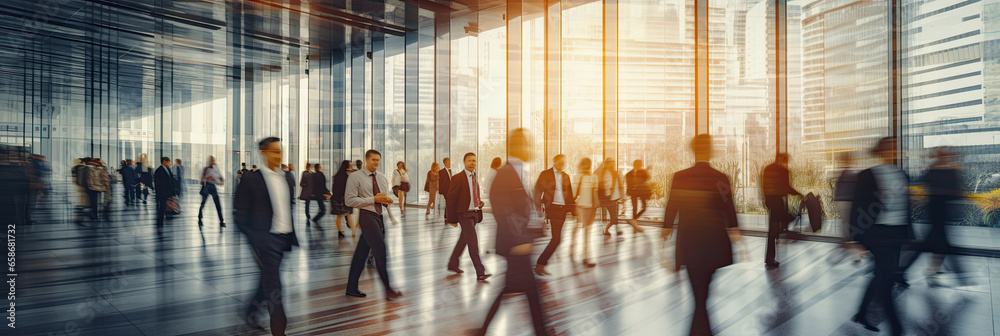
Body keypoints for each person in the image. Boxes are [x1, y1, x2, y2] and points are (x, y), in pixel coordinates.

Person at [662, 134, 741, 336]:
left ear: (693, 150)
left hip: (689, 240)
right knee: (703, 289)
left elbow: (672, 204)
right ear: (710, 151)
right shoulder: (720, 178)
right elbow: (729, 208)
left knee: (698, 289)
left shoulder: (681, 177)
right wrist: (734, 229)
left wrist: (667, 227)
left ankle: (699, 329)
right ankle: (701, 328)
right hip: (714, 241)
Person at [481, 128, 548, 336]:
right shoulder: (506, 172)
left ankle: (482, 331)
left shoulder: (517, 170)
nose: (532, 148)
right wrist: (519, 239)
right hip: (516, 244)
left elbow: (520, 205)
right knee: (528, 290)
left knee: (517, 288)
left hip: (520, 242)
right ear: (519, 146)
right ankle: (542, 331)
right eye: (528, 144)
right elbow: (502, 208)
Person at [234, 137, 299, 336]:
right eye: (274, 152)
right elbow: (239, 215)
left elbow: (287, 208)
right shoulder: (251, 179)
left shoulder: (287, 178)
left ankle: (250, 311)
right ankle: (279, 330)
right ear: (263, 153)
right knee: (275, 287)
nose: (278, 156)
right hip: (264, 242)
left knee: (267, 280)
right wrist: (255, 242)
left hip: (283, 239)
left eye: (279, 152)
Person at [850, 137, 911, 336]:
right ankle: (896, 328)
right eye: (892, 147)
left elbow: (905, 206)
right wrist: (856, 238)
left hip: (896, 234)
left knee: (882, 276)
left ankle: (861, 313)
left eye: (896, 147)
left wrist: (908, 232)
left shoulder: (902, 174)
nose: (895, 150)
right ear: (882, 151)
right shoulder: (868, 175)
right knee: (886, 281)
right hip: (879, 234)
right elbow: (858, 208)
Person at [897, 146, 969, 286]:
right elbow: (957, 192)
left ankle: (915, 270)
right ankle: (960, 276)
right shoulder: (948, 171)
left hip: (936, 214)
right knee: (939, 245)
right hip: (940, 215)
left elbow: (920, 183)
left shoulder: (934, 170)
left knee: (935, 245)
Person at [344, 150, 402, 301]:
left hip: (379, 217)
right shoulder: (355, 177)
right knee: (380, 250)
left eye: (378, 160)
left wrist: (386, 201)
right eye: (374, 160)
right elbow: (349, 201)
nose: (376, 163)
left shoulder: (382, 177)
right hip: (366, 215)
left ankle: (351, 287)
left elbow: (382, 198)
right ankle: (388, 290)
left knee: (361, 253)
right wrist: (373, 199)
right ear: (366, 160)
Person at [446, 153, 491, 281]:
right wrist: (451, 219)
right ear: (464, 162)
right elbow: (451, 199)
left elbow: (473, 195)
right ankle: (480, 272)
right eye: (470, 160)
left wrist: (479, 204)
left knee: (464, 240)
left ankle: (452, 263)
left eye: (474, 161)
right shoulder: (457, 178)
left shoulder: (474, 177)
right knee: (473, 243)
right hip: (464, 214)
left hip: (474, 214)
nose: (473, 163)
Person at [533, 154, 575, 276]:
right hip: (552, 209)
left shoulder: (566, 176)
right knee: (556, 239)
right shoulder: (545, 174)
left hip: (562, 209)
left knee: (556, 239)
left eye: (565, 162)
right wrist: (539, 204)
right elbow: (537, 190)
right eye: (562, 161)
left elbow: (570, 195)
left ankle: (541, 264)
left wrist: (573, 212)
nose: (564, 164)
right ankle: (540, 264)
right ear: (555, 161)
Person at [761, 153, 801, 268]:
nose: (786, 164)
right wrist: (799, 194)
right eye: (786, 161)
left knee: (773, 231)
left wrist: (765, 200)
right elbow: (787, 187)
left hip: (772, 203)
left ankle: (769, 258)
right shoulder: (784, 171)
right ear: (783, 160)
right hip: (778, 202)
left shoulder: (767, 168)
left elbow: (763, 186)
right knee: (785, 220)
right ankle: (785, 228)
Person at [833, 151, 865, 262]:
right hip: (847, 202)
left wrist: (836, 199)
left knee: (847, 229)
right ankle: (856, 252)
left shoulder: (845, 173)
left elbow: (838, 190)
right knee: (848, 228)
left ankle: (855, 252)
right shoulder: (851, 173)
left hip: (844, 202)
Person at [599, 158, 642, 235]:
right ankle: (607, 230)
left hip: (614, 198)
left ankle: (615, 229)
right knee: (614, 217)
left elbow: (619, 185)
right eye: (612, 162)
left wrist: (622, 197)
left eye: (613, 162)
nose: (613, 164)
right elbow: (608, 186)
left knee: (615, 216)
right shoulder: (607, 173)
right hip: (610, 199)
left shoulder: (613, 173)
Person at [571, 157, 598, 268]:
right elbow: (573, 193)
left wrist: (596, 205)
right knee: (584, 230)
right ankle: (585, 257)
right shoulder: (577, 177)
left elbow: (595, 193)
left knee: (584, 229)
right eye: (585, 164)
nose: (587, 166)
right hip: (580, 206)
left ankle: (573, 247)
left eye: (588, 164)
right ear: (582, 165)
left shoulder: (594, 177)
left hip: (591, 206)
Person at [330, 160, 356, 238]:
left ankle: (339, 231)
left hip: (337, 198)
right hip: (344, 198)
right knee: (348, 214)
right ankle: (353, 232)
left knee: (339, 216)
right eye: (350, 165)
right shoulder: (345, 176)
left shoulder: (338, 175)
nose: (351, 166)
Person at [198, 156, 225, 227]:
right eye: (212, 160)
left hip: (212, 187)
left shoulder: (215, 169)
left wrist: (220, 180)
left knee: (217, 204)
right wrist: (207, 178)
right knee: (203, 203)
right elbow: (202, 179)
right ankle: (199, 219)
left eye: (213, 160)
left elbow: (220, 176)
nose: (213, 162)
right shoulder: (206, 169)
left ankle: (221, 221)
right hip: (207, 186)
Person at [153, 157, 177, 232]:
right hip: (162, 193)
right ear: (164, 162)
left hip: (167, 192)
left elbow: (171, 182)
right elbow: (158, 184)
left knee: (164, 207)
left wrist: (173, 193)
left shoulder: (168, 170)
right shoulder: (159, 171)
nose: (169, 163)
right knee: (162, 207)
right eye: (168, 162)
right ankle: (159, 223)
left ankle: (161, 222)